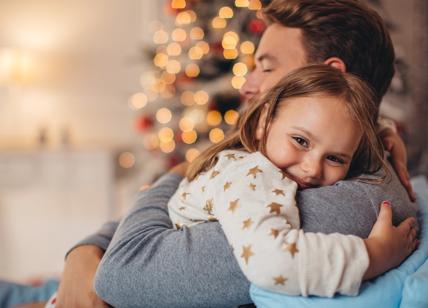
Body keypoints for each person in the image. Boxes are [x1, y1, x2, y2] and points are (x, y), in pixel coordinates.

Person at [55, 0, 417, 307]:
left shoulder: (349, 201)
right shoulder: (283, 162)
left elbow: (123, 271)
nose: (248, 84)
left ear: (325, 75)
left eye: (267, 66)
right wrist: (85, 249)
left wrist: (179, 173)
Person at [166, 65, 416, 296]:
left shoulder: (270, 160)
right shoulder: (250, 176)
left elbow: (342, 129)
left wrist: (385, 131)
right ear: (264, 122)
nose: (312, 169)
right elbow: (274, 263)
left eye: (335, 158)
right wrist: (375, 254)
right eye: (301, 141)